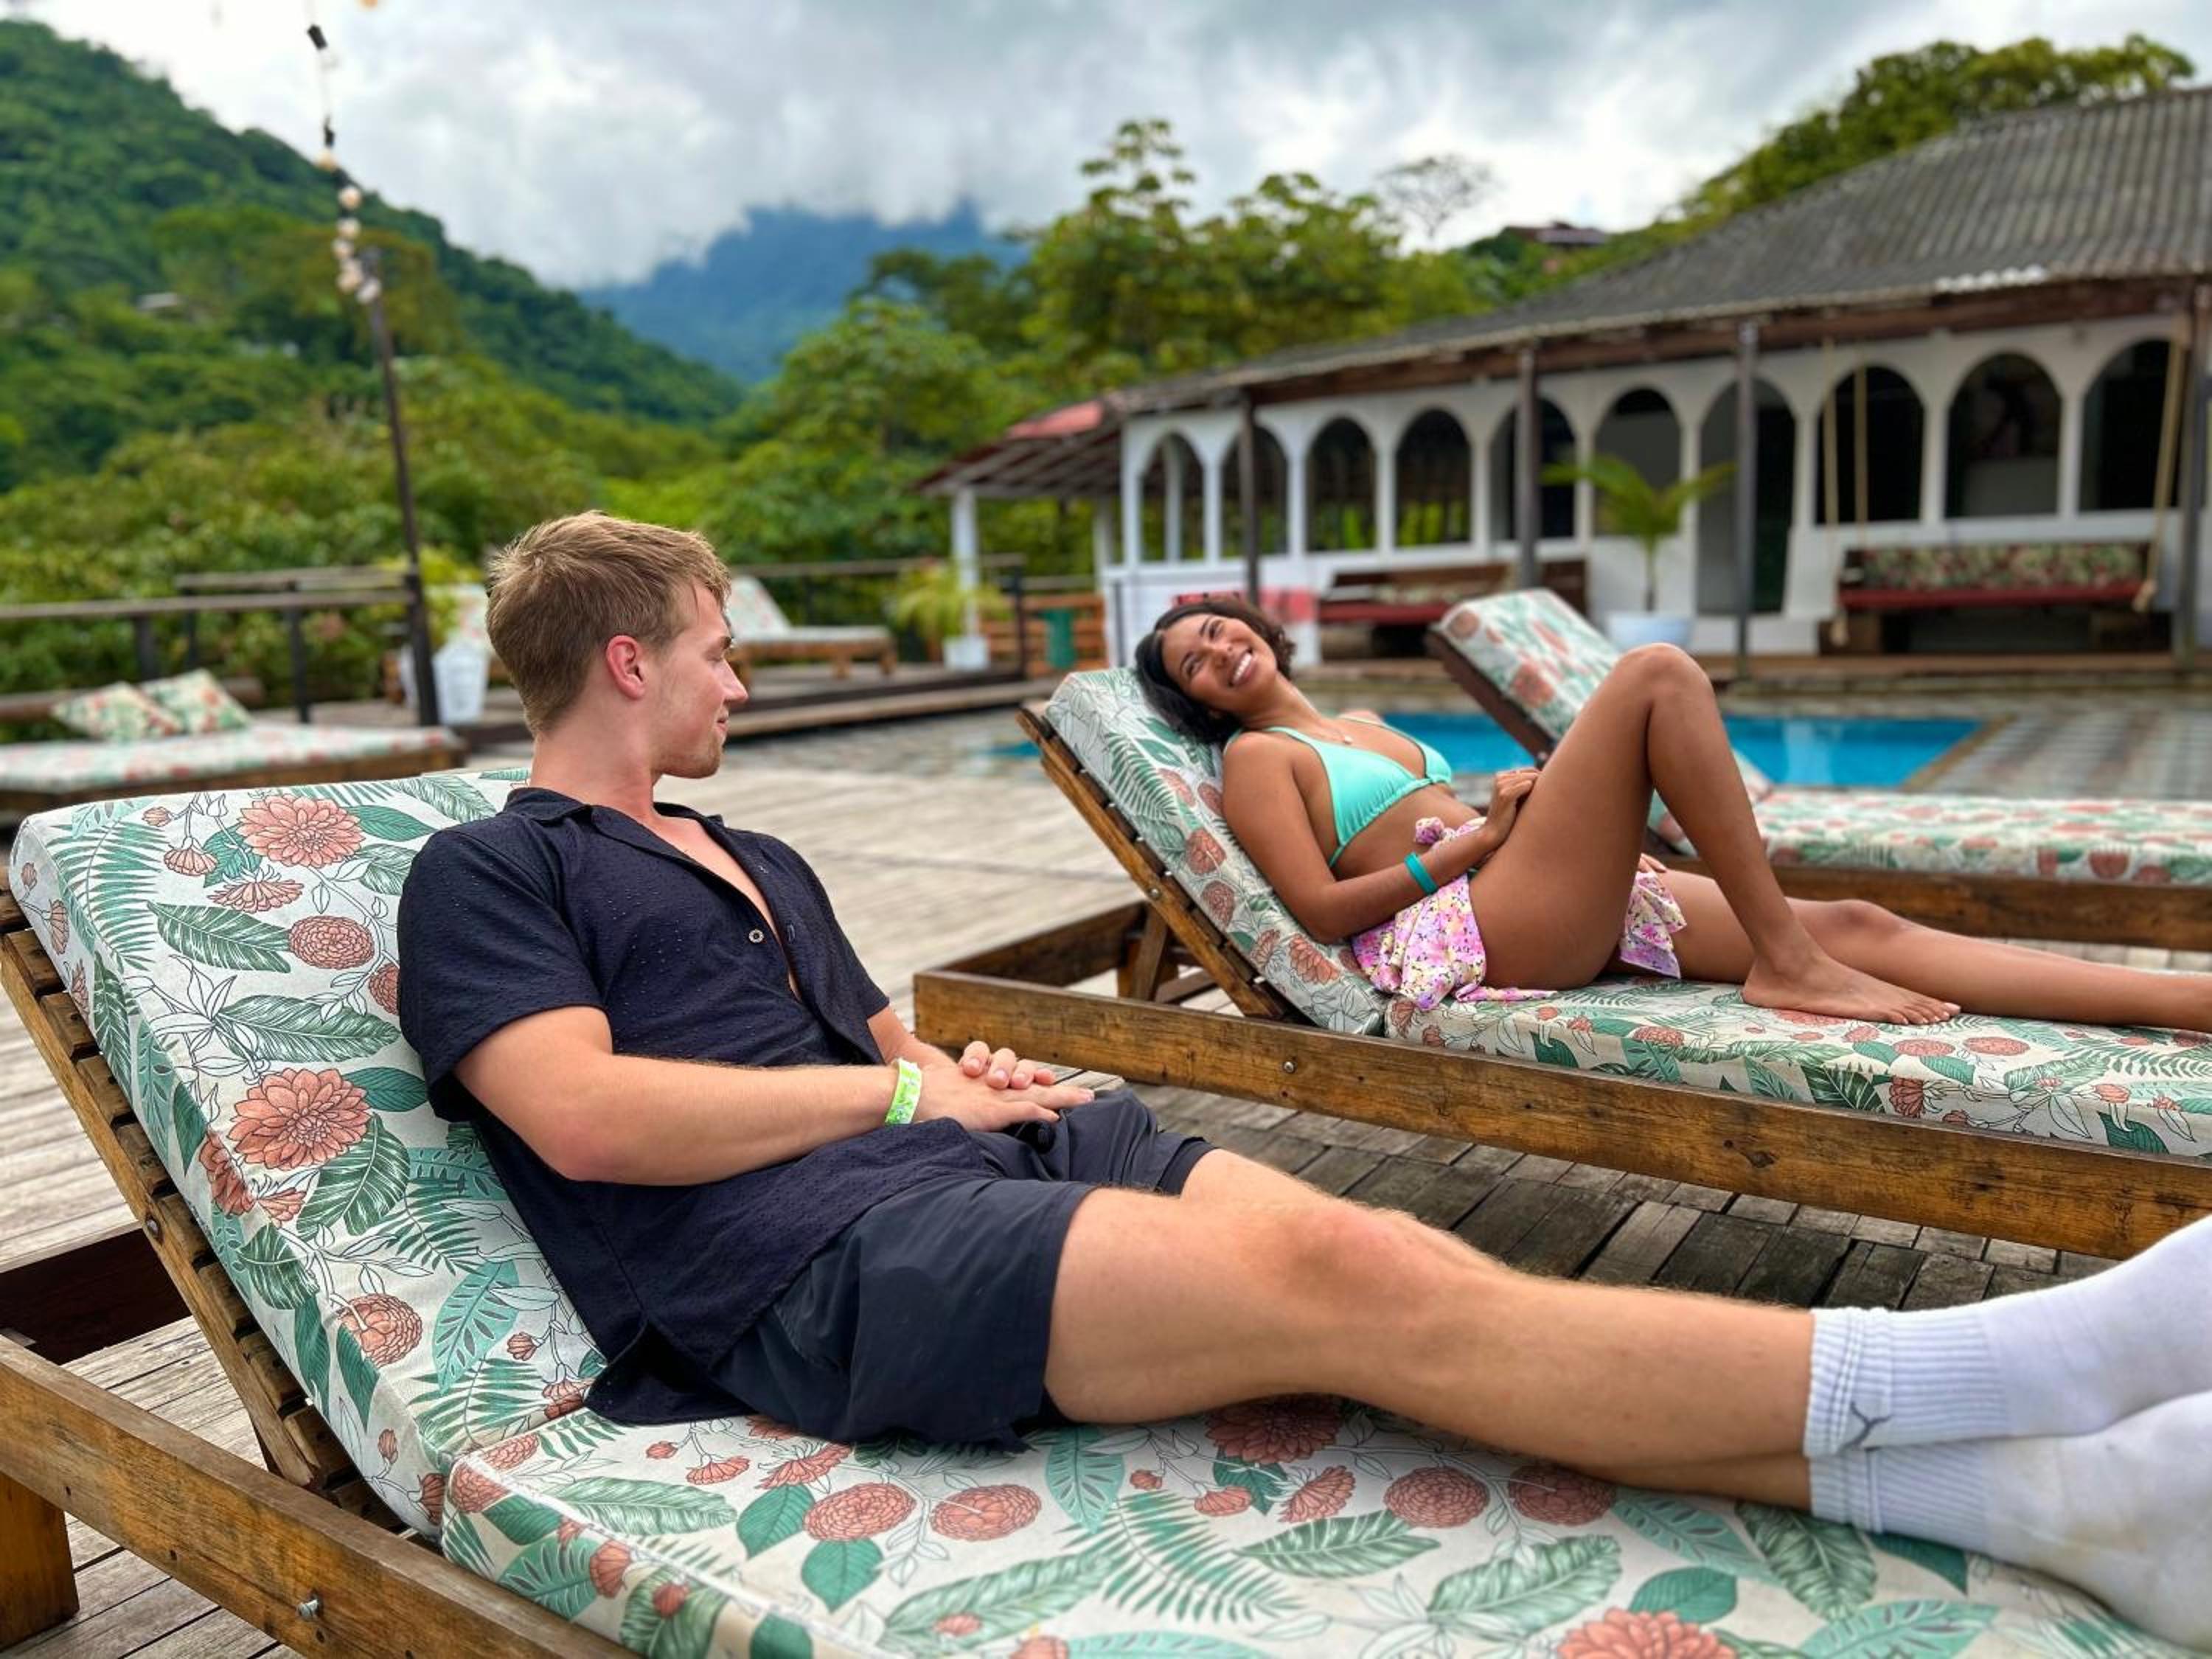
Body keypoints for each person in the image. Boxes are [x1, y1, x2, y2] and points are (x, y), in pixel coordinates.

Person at [398, 516, 2210, 1646]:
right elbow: (586, 1116)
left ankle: (2061, 1508)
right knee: (1345, 1281)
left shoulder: (758, 851)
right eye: (717, 649)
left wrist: (960, 1071)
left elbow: (886, 1046)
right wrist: (897, 1104)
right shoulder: (492, 873)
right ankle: (2031, 1365)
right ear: (629, 661)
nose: (736, 679)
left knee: (1413, 1277)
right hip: (805, 1269)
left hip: (993, 1154)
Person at [1135, 595, 2212, 1034]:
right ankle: (1787, 961)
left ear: (1254, 624)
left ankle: (2193, 1001)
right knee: (1655, 672)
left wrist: (1544, 825)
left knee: (1862, 923)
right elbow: (1323, 912)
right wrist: (1479, 840)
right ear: (1202, 701)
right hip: (1474, 928)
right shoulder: (1258, 759)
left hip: (1521, 884)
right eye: (1197, 663)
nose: (1222, 650)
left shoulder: (1365, 721)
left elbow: (1448, 823)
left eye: (1221, 629)